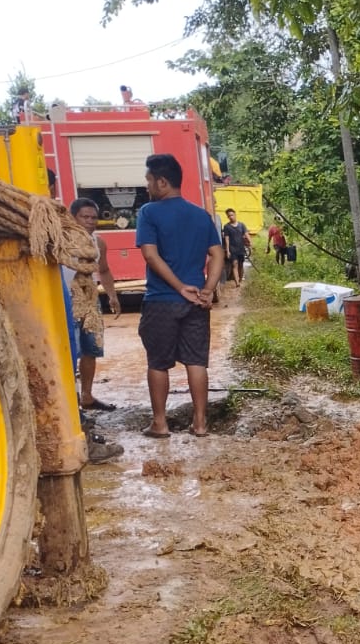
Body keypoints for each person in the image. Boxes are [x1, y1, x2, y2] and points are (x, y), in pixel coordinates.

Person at [135, 153, 224, 439]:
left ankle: (160, 424)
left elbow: (151, 255)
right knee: (196, 361)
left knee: (158, 363)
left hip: (161, 300)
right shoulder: (201, 215)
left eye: (149, 180)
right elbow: (217, 254)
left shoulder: (148, 212)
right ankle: (200, 423)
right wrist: (207, 289)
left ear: (162, 182)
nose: (147, 186)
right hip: (196, 302)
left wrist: (178, 286)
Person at [69, 198, 123, 412]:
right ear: (73, 218)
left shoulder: (98, 243)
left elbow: (104, 270)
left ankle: (87, 395)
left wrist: (112, 296)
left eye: (93, 217)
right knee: (70, 350)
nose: (90, 221)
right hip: (69, 298)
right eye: (85, 217)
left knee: (91, 348)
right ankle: (70, 400)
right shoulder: (64, 240)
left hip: (90, 298)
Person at [220, 208, 251, 287]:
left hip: (241, 249)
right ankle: (237, 282)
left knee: (241, 265)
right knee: (234, 264)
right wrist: (227, 251)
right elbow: (227, 239)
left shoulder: (241, 225)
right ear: (227, 217)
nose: (231, 217)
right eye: (229, 216)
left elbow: (246, 234)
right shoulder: (227, 227)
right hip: (232, 249)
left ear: (235, 215)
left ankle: (240, 279)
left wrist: (250, 243)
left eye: (232, 215)